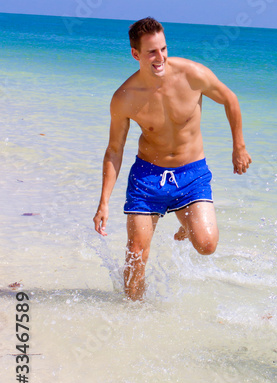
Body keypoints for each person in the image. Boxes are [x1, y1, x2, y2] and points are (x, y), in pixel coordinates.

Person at [93, 17, 251, 300]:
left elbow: (230, 99)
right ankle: (132, 312)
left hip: (191, 175)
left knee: (207, 245)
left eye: (163, 48)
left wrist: (238, 146)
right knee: (136, 253)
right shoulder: (124, 97)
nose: (160, 57)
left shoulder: (192, 74)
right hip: (148, 178)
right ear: (136, 54)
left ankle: (185, 223)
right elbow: (114, 150)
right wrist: (104, 201)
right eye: (152, 52)